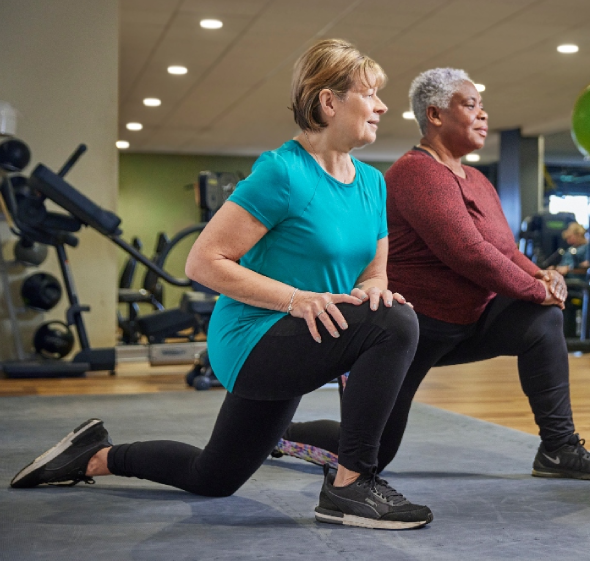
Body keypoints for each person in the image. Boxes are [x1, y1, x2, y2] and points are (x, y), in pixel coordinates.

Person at [10, 39, 434, 531]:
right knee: (398, 323)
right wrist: (297, 299)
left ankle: (94, 456)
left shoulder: (371, 183)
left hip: (311, 334)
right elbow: (203, 261)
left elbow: (373, 271)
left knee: (214, 475)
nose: (382, 106)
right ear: (328, 101)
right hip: (256, 338)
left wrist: (374, 289)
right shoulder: (282, 172)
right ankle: (349, 487)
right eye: (370, 93)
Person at [277, 68, 590, 481]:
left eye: (482, 106)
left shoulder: (476, 178)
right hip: (410, 332)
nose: (483, 115)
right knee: (373, 454)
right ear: (435, 115)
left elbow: (505, 250)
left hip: (470, 322)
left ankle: (558, 448)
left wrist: (544, 276)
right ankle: (278, 435)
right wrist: (534, 288)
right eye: (470, 105)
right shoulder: (414, 173)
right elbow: (468, 253)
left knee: (542, 320)